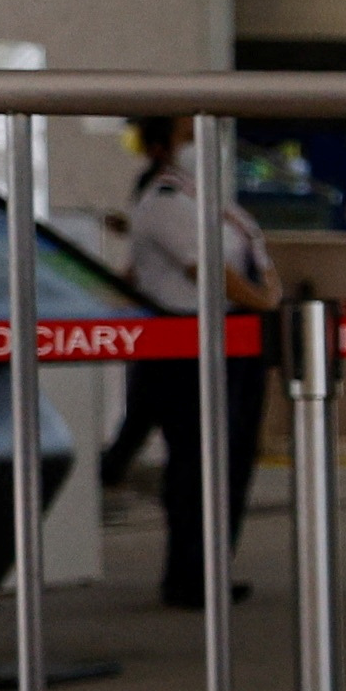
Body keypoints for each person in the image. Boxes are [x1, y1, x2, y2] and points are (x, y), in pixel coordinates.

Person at [113, 123, 270, 608]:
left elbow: (249, 254)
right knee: (197, 465)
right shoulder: (162, 199)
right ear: (162, 146)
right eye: (187, 131)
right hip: (186, 349)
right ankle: (187, 576)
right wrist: (267, 302)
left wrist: (269, 294)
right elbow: (205, 268)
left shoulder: (210, 201)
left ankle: (212, 567)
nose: (199, 141)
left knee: (233, 460)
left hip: (233, 342)